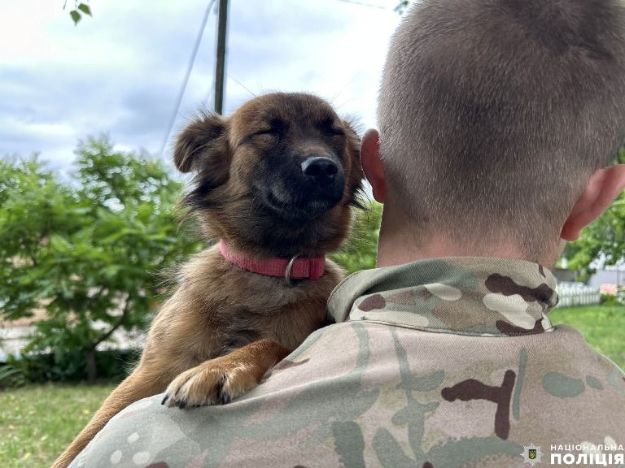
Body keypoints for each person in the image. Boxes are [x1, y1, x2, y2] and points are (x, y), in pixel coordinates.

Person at [71, 0, 625, 466]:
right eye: (271, 134)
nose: (315, 156)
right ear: (599, 197)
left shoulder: (134, 448)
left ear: (370, 167)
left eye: (331, 136)